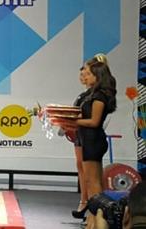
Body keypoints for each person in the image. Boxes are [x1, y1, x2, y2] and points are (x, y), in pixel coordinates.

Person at [76, 59, 117, 228]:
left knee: (93, 184)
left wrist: (74, 122)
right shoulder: (92, 94)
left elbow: (94, 122)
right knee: (93, 183)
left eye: (90, 74)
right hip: (89, 140)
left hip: (94, 140)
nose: (86, 76)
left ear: (98, 76)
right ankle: (95, 219)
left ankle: (97, 219)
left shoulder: (100, 96)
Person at [72, 66, 92, 219]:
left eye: (87, 73)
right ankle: (84, 200)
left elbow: (95, 120)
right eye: (82, 73)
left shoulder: (97, 95)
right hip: (79, 134)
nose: (83, 76)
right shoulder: (83, 95)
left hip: (90, 135)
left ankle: (91, 205)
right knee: (80, 166)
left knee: (89, 170)